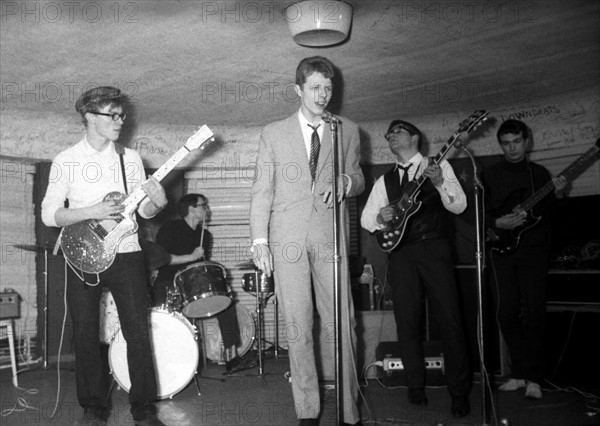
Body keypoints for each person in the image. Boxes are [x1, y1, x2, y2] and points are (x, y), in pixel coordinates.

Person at [41, 86, 167, 426]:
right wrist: (92, 210)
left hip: (126, 253)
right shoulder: (66, 161)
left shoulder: (131, 160)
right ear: (89, 117)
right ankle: (93, 408)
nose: (120, 121)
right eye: (112, 115)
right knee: (84, 332)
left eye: (121, 115)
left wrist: (157, 202)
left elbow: (145, 211)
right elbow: (49, 214)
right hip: (82, 254)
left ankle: (144, 408)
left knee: (137, 331)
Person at [250, 56, 364, 426]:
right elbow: (262, 191)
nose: (323, 95)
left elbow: (357, 176)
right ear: (298, 90)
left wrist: (346, 183)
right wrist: (259, 240)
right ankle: (308, 411)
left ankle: (349, 411)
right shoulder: (274, 133)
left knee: (342, 323)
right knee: (298, 328)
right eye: (315, 87)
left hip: (330, 238)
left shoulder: (346, 129)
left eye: (329, 88)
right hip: (287, 241)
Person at [360, 119, 471, 418]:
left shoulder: (438, 166)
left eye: (397, 132)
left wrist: (438, 182)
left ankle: (459, 393)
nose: (390, 136)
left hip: (435, 248)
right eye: (388, 134)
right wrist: (383, 218)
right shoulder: (384, 181)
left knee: (450, 320)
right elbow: (367, 219)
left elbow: (458, 206)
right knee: (406, 322)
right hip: (401, 254)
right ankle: (414, 387)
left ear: (414, 137)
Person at [481, 119, 567, 400]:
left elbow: (551, 212)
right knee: (505, 313)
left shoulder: (539, 173)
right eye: (506, 143)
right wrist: (498, 222)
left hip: (533, 251)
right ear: (500, 144)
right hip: (501, 252)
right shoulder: (489, 174)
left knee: (533, 314)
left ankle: (534, 378)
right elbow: (479, 215)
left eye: (517, 141)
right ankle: (517, 373)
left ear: (526, 141)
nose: (512, 148)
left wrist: (558, 193)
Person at [152, 193, 240, 367]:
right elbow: (160, 259)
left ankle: (232, 356)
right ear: (191, 209)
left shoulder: (204, 235)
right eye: (203, 205)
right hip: (170, 282)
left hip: (194, 284)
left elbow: (201, 265)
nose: (207, 209)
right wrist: (190, 256)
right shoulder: (170, 228)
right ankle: (171, 361)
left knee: (226, 302)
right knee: (165, 317)